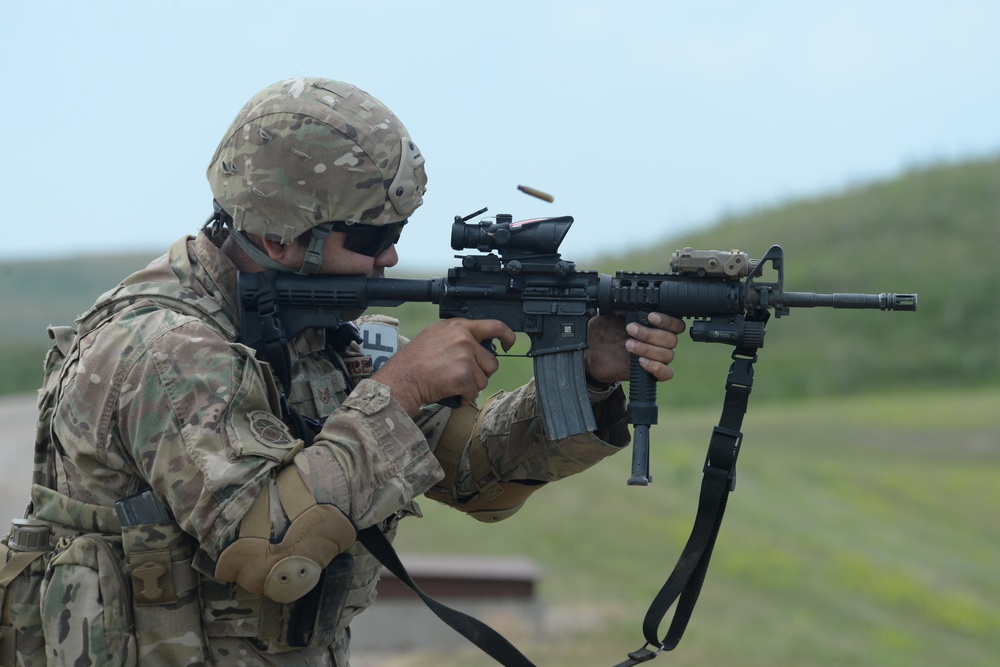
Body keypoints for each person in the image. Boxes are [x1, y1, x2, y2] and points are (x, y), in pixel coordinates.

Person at [4, 77, 684, 666]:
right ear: (278, 236)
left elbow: (475, 476)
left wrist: (590, 375)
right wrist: (403, 387)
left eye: (397, 233)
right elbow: (269, 551)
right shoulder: (168, 348)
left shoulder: (310, 334)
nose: (389, 258)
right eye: (369, 239)